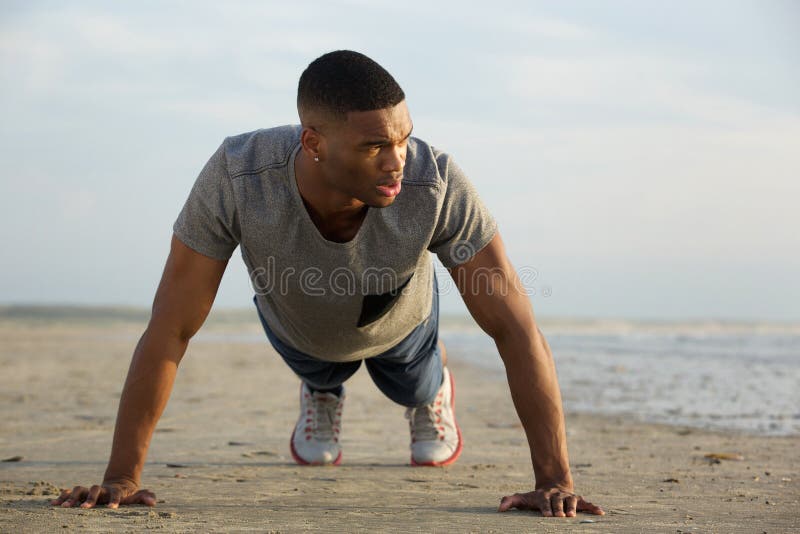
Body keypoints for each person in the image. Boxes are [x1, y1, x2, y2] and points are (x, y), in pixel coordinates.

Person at [51, 50, 603, 518]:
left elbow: (514, 326)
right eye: (373, 147)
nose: (396, 162)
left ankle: (431, 392)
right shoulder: (237, 177)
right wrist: (122, 475)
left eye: (404, 139)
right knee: (320, 364)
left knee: (409, 382)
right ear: (313, 143)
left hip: (401, 322)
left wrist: (556, 478)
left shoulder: (434, 183)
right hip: (298, 325)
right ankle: (321, 389)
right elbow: (170, 327)